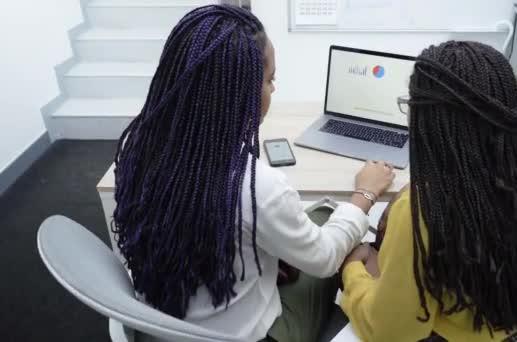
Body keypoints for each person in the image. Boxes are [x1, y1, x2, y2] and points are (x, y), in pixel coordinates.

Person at [111, 5, 395, 342]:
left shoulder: (136, 152)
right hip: (248, 336)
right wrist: (364, 195)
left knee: (316, 218)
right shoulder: (258, 188)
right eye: (269, 79)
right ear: (241, 93)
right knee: (348, 246)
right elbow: (323, 259)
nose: (273, 89)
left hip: (160, 326)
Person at [340, 41, 517, 341]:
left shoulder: (423, 210)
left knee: (361, 259)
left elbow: (392, 332)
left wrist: (353, 273)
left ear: (425, 120)